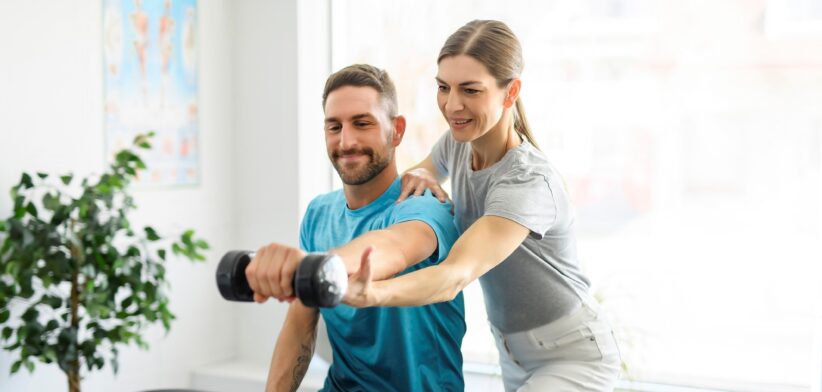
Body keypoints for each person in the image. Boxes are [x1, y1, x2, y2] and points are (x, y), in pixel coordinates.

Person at [342, 20, 622, 391]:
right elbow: (423, 170)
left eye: (470, 90)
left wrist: (374, 293)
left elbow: (455, 274)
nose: (452, 105)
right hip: (513, 353)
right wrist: (423, 175)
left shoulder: (526, 181)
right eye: (443, 87)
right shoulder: (458, 143)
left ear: (511, 92)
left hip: (573, 355)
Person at [245, 64, 466, 391]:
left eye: (362, 124)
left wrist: (310, 266)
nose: (346, 141)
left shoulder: (425, 205)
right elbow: (299, 327)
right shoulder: (319, 214)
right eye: (334, 127)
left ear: (397, 130)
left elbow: (391, 248)